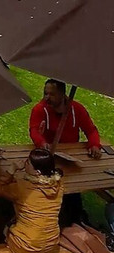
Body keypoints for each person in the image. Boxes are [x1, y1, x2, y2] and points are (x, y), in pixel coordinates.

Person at [29, 78, 101, 226]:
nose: (46, 97)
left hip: (72, 157)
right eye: (45, 93)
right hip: (49, 157)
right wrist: (42, 143)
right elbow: (34, 130)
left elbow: (91, 130)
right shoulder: (39, 109)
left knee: (73, 188)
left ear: (62, 95)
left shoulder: (77, 109)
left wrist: (94, 145)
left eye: (52, 94)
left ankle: (75, 219)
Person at [0, 148, 64, 253]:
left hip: (26, 247)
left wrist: (12, 170)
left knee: (6, 219)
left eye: (28, 162)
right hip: (51, 246)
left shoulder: (22, 187)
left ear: (37, 172)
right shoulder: (58, 184)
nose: (24, 163)